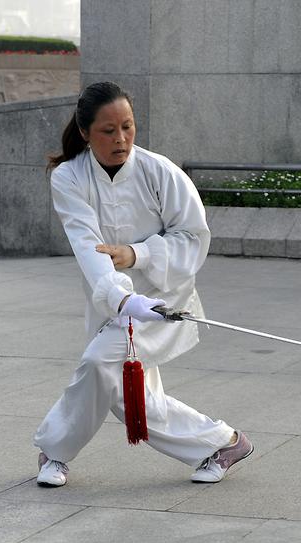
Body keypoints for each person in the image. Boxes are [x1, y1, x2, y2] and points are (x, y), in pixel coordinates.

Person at [34, 81, 252, 487]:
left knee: (101, 363)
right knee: (126, 393)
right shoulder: (69, 177)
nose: (121, 139)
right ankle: (223, 443)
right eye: (108, 130)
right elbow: (87, 245)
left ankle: (54, 451)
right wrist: (120, 299)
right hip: (110, 301)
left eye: (128, 127)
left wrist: (138, 255)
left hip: (164, 300)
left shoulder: (160, 172)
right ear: (85, 132)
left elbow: (193, 236)